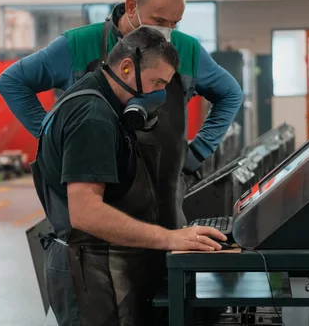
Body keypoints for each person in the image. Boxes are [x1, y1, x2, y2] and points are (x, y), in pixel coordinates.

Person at [0, 0, 243, 231]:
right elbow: (11, 82)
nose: (167, 31)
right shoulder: (79, 45)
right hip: (94, 207)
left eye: (174, 23)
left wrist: (198, 152)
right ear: (131, 6)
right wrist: (54, 140)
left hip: (164, 203)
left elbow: (231, 94)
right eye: (159, 20)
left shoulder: (187, 49)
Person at [32, 27, 227, 326]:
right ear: (126, 67)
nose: (159, 95)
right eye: (157, 82)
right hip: (89, 275)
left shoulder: (100, 102)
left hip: (97, 265)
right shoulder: (92, 117)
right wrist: (169, 237)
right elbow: (86, 213)